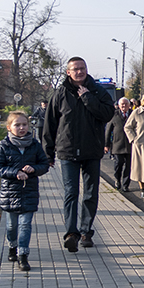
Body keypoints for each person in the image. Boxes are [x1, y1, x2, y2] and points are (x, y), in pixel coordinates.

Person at [43, 57, 115, 253]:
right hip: (67, 152)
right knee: (71, 193)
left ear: (86, 69)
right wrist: (48, 153)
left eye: (82, 68)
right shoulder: (60, 94)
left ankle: (86, 232)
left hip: (92, 150)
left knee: (90, 194)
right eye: (75, 69)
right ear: (68, 72)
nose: (79, 72)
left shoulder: (97, 91)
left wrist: (88, 98)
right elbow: (49, 124)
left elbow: (108, 114)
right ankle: (71, 234)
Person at [0, 111, 50, 271]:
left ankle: (22, 255)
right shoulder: (4, 145)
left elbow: (44, 165)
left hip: (29, 192)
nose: (21, 128)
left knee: (25, 225)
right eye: (17, 125)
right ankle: (12, 246)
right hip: (10, 193)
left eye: (24, 124)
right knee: (12, 226)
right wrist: (15, 173)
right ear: (9, 128)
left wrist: (34, 169)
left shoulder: (35, 144)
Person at [104, 97, 133, 191]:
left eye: (126, 104)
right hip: (117, 145)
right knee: (118, 164)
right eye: (122, 104)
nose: (124, 106)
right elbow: (108, 130)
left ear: (129, 105)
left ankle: (125, 185)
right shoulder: (114, 114)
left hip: (130, 145)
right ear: (119, 105)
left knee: (128, 166)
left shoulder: (133, 114)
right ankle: (117, 179)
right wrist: (106, 144)